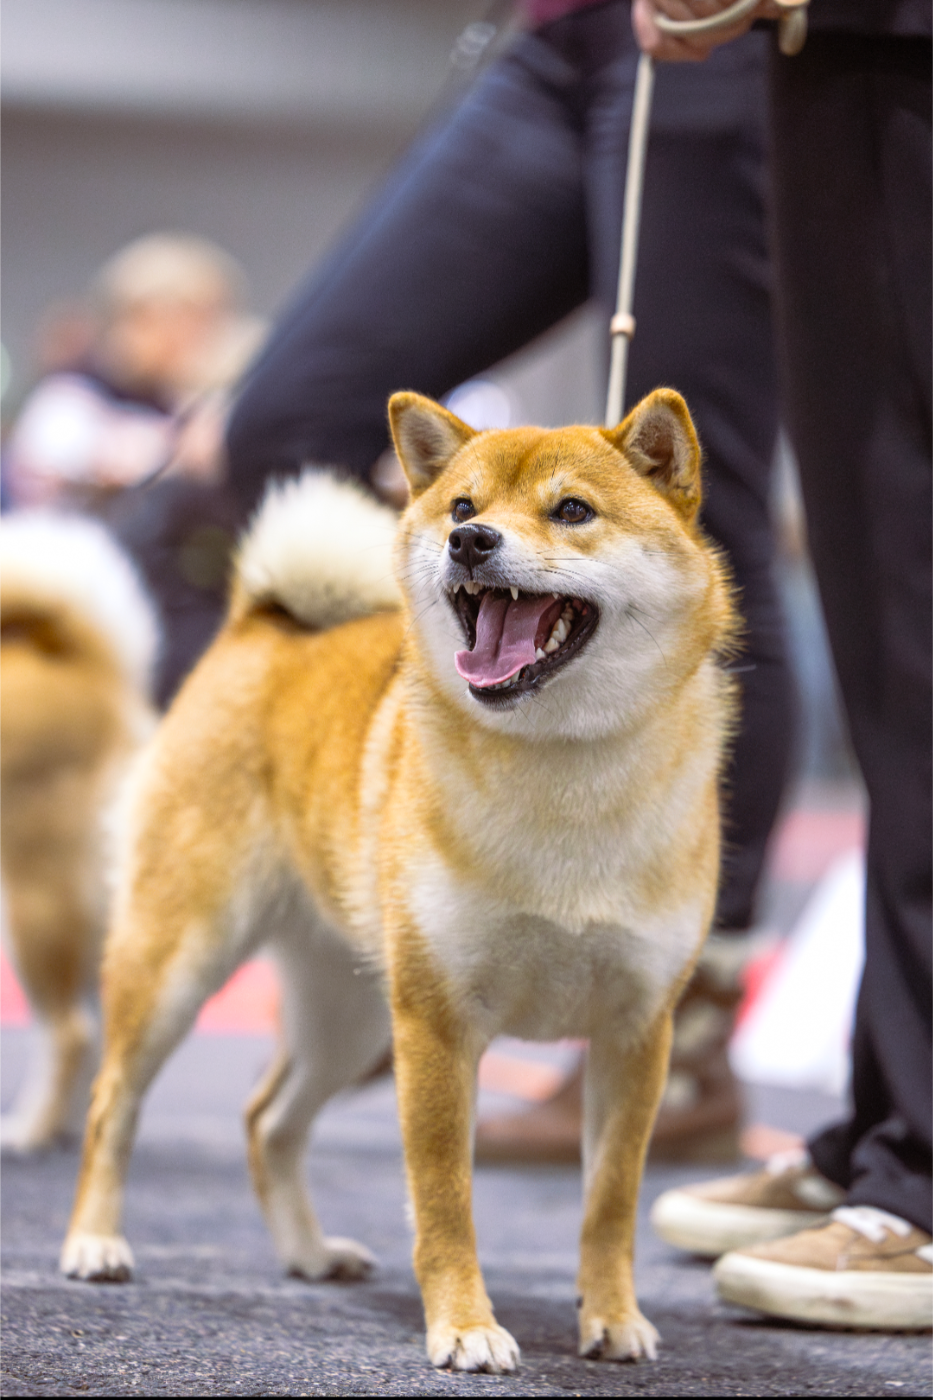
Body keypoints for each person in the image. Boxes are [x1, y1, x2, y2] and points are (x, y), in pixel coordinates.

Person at [226, 0, 796, 1161]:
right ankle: (415, 903)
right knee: (286, 421)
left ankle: (687, 1023)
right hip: (554, 41)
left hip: (722, 46)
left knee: (697, 526)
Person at [641, 0, 933, 1330]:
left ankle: (917, 1167)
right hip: (831, 60)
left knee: (913, 627)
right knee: (889, 633)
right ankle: (890, 1126)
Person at [3, 234, 264, 703]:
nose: (201, 337)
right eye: (190, 320)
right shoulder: (70, 399)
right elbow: (95, 463)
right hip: (57, 634)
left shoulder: (178, 403)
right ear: (141, 317)